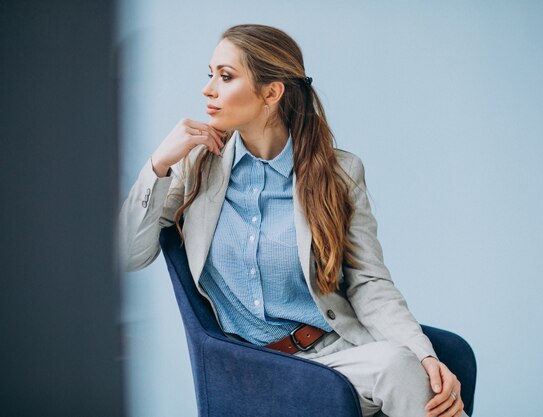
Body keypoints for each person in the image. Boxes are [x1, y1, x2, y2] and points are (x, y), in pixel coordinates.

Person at [119, 24, 467, 417]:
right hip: (255, 370)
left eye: (226, 76)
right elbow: (127, 253)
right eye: (210, 74)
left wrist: (424, 356)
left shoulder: (339, 173)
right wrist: (158, 164)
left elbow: (369, 283)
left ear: (272, 92)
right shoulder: (195, 165)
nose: (209, 89)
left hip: (336, 355)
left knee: (405, 368)